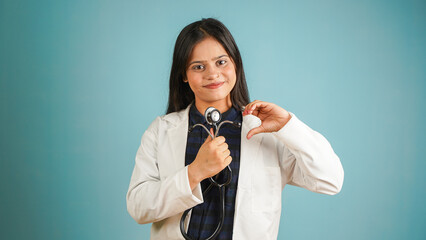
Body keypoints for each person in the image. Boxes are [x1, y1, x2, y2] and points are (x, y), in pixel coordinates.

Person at [126, 18, 344, 240]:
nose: (212, 74)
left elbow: (331, 180)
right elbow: (138, 207)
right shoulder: (161, 131)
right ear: (184, 75)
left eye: (221, 62)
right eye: (198, 66)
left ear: (236, 64)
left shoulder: (266, 132)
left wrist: (288, 124)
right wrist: (194, 173)